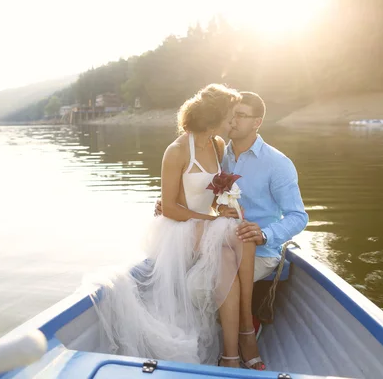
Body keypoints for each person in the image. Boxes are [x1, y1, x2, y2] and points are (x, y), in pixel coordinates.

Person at [89, 84, 261, 369]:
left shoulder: (218, 146)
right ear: (215, 116)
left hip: (204, 227)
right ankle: (245, 334)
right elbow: (169, 207)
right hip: (178, 229)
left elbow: (213, 195)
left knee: (233, 249)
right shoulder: (178, 150)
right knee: (241, 234)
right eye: (231, 115)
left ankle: (233, 349)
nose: (233, 121)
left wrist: (222, 208)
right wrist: (214, 221)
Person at [155, 91, 309, 370]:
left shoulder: (277, 163)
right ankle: (241, 338)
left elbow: (299, 216)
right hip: (219, 241)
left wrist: (265, 234)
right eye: (231, 115)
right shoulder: (217, 150)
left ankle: (241, 334)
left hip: (259, 249)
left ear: (257, 122)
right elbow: (199, 191)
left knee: (203, 287)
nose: (233, 121)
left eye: (241, 115)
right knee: (215, 270)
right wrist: (169, 201)